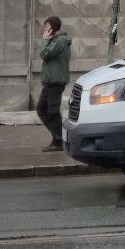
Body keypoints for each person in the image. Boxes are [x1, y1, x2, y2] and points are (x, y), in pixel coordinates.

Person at [36, 16, 72, 152]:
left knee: (52, 112)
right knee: (41, 109)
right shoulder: (55, 41)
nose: (44, 31)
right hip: (50, 82)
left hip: (56, 82)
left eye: (46, 28)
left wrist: (44, 41)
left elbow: (45, 54)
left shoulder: (60, 41)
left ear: (53, 29)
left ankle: (60, 141)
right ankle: (59, 138)